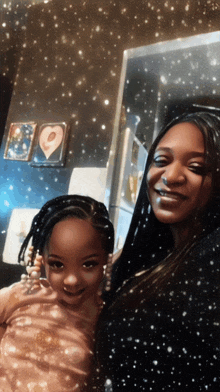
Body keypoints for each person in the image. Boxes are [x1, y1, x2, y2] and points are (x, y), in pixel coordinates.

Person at [92, 111, 220, 391]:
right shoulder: (155, 257)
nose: (171, 176)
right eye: (161, 160)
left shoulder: (212, 258)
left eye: (197, 167)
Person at [0, 195, 114, 392]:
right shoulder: (22, 294)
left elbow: (98, 382)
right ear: (43, 260)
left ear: (105, 260)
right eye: (57, 265)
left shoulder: (105, 319)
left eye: (89, 264)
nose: (72, 280)